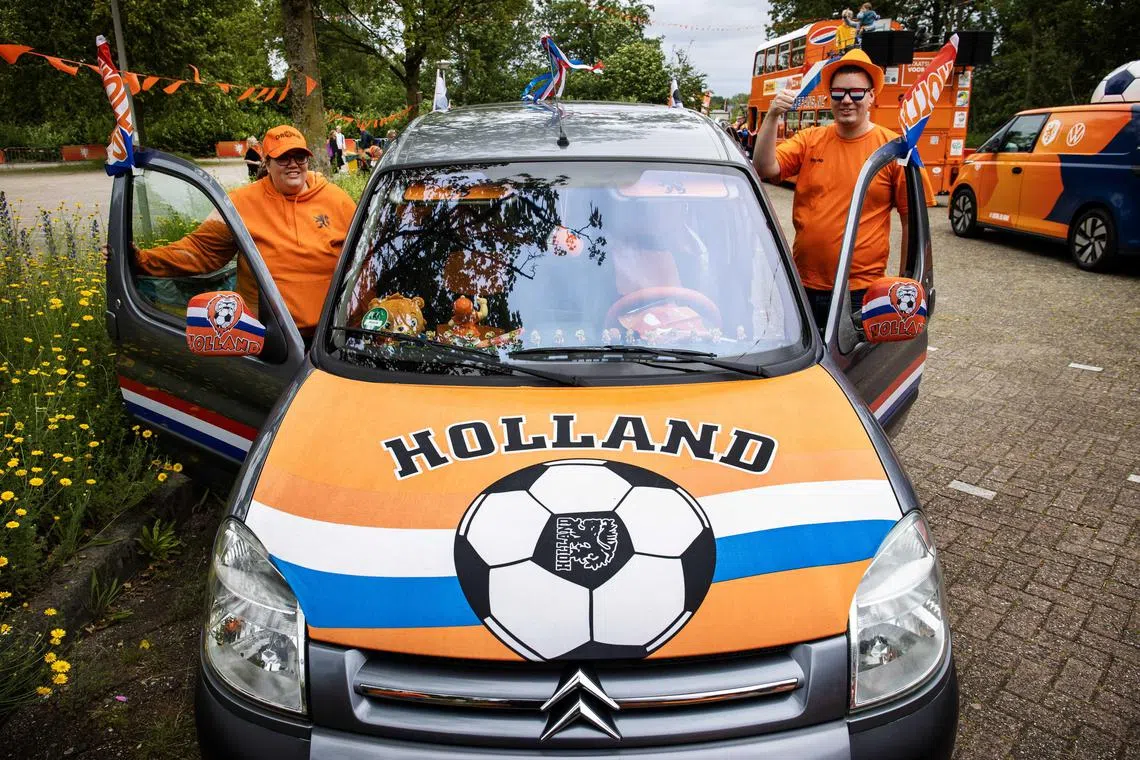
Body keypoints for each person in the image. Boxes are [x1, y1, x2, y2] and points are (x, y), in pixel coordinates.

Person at [752, 48, 934, 328]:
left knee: (853, 370)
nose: (847, 100)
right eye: (838, 93)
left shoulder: (894, 150)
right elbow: (765, 168)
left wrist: (905, 283)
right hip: (803, 285)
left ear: (872, 96)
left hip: (860, 291)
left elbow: (911, 222)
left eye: (856, 93)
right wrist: (773, 115)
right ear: (829, 98)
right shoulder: (810, 139)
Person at [134, 125, 357, 340]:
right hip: (270, 338)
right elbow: (201, 251)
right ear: (267, 163)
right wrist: (142, 260)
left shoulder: (336, 200)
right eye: (283, 158)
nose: (293, 165)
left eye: (300, 157)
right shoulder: (240, 203)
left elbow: (366, 254)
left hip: (333, 335)